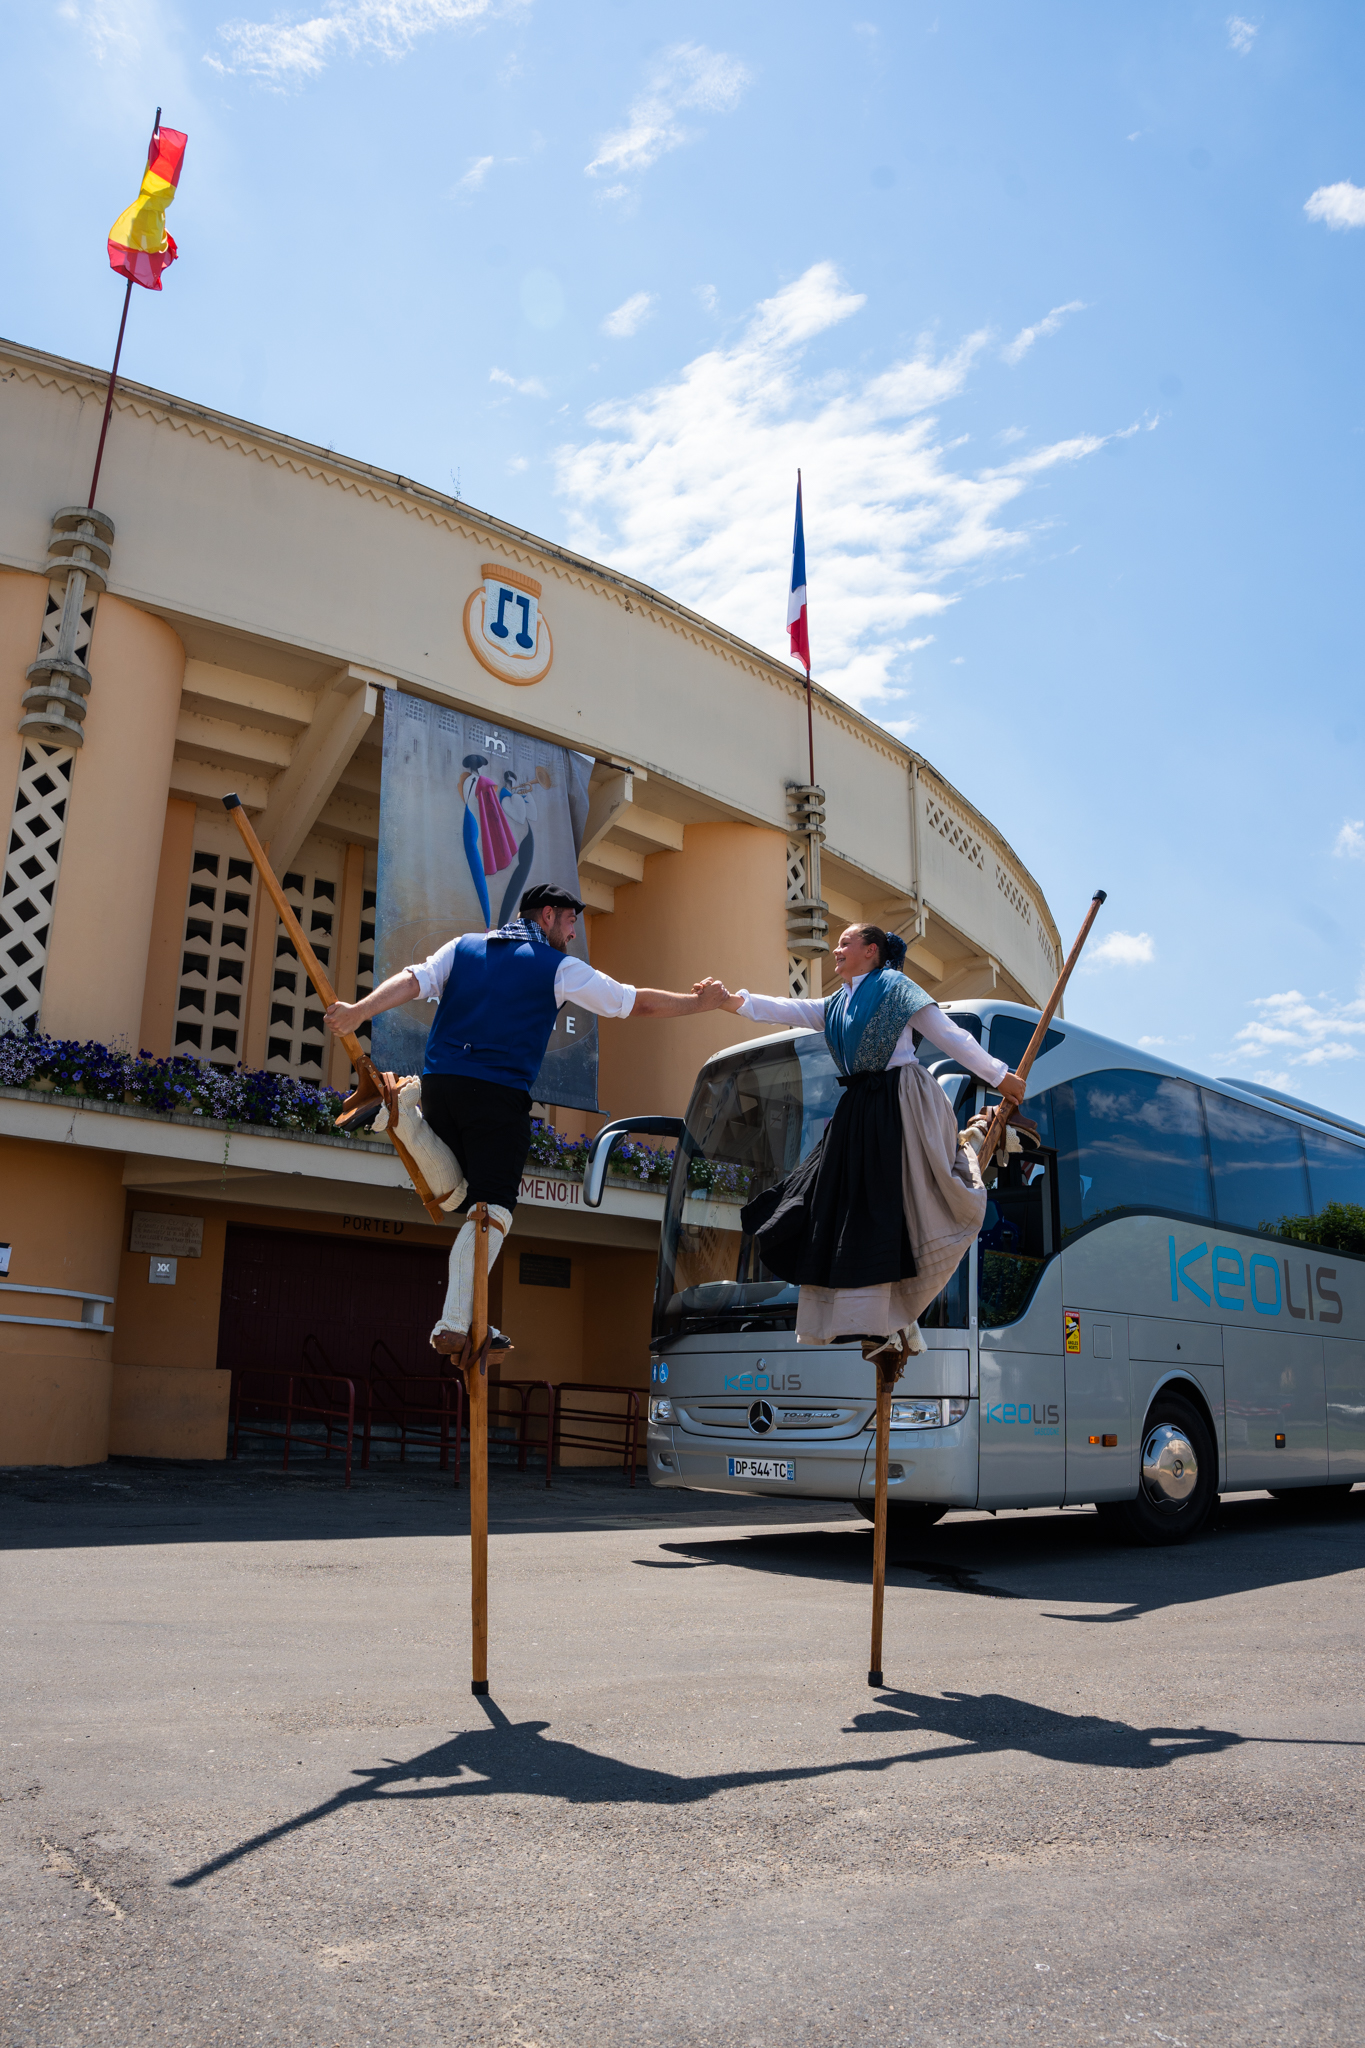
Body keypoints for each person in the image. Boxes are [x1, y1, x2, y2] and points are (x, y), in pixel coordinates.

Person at [325, 883, 730, 1359]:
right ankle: (454, 1322)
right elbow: (630, 1001)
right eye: (571, 921)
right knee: (493, 1210)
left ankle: (404, 1117)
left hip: (442, 1084)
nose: (574, 931)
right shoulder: (557, 968)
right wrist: (698, 1003)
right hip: (497, 1094)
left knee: (458, 1196)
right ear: (548, 916)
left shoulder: (463, 947)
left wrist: (358, 1011)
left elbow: (415, 980)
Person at [701, 924, 1026, 1365]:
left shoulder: (896, 987)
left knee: (897, 1202)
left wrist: (1000, 1076)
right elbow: (788, 1009)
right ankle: (880, 1322)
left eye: (845, 943)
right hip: (859, 1109)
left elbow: (949, 1035)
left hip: (900, 1099)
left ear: (870, 951)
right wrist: (730, 1001)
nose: (836, 949)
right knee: (839, 1210)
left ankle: (895, 1315)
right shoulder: (837, 1003)